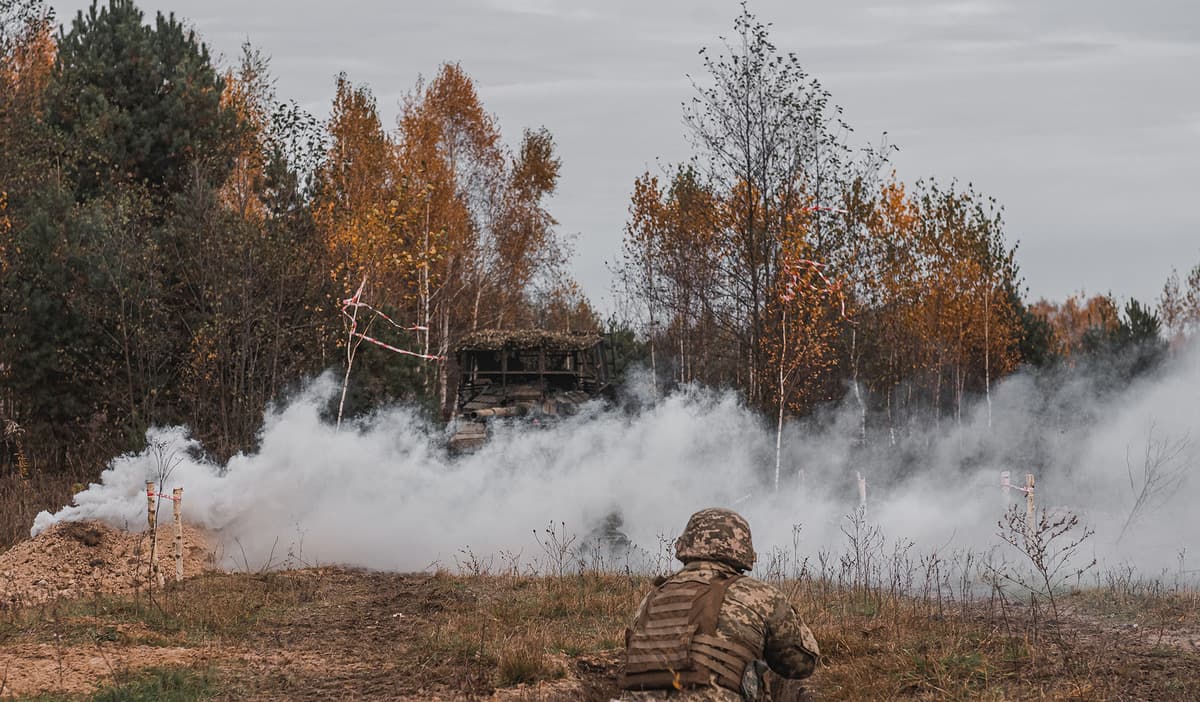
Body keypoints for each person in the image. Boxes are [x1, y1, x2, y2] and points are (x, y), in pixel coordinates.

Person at [616, 508, 819, 701]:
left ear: (685, 544)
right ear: (742, 549)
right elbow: (800, 664)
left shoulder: (652, 597)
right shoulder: (761, 595)